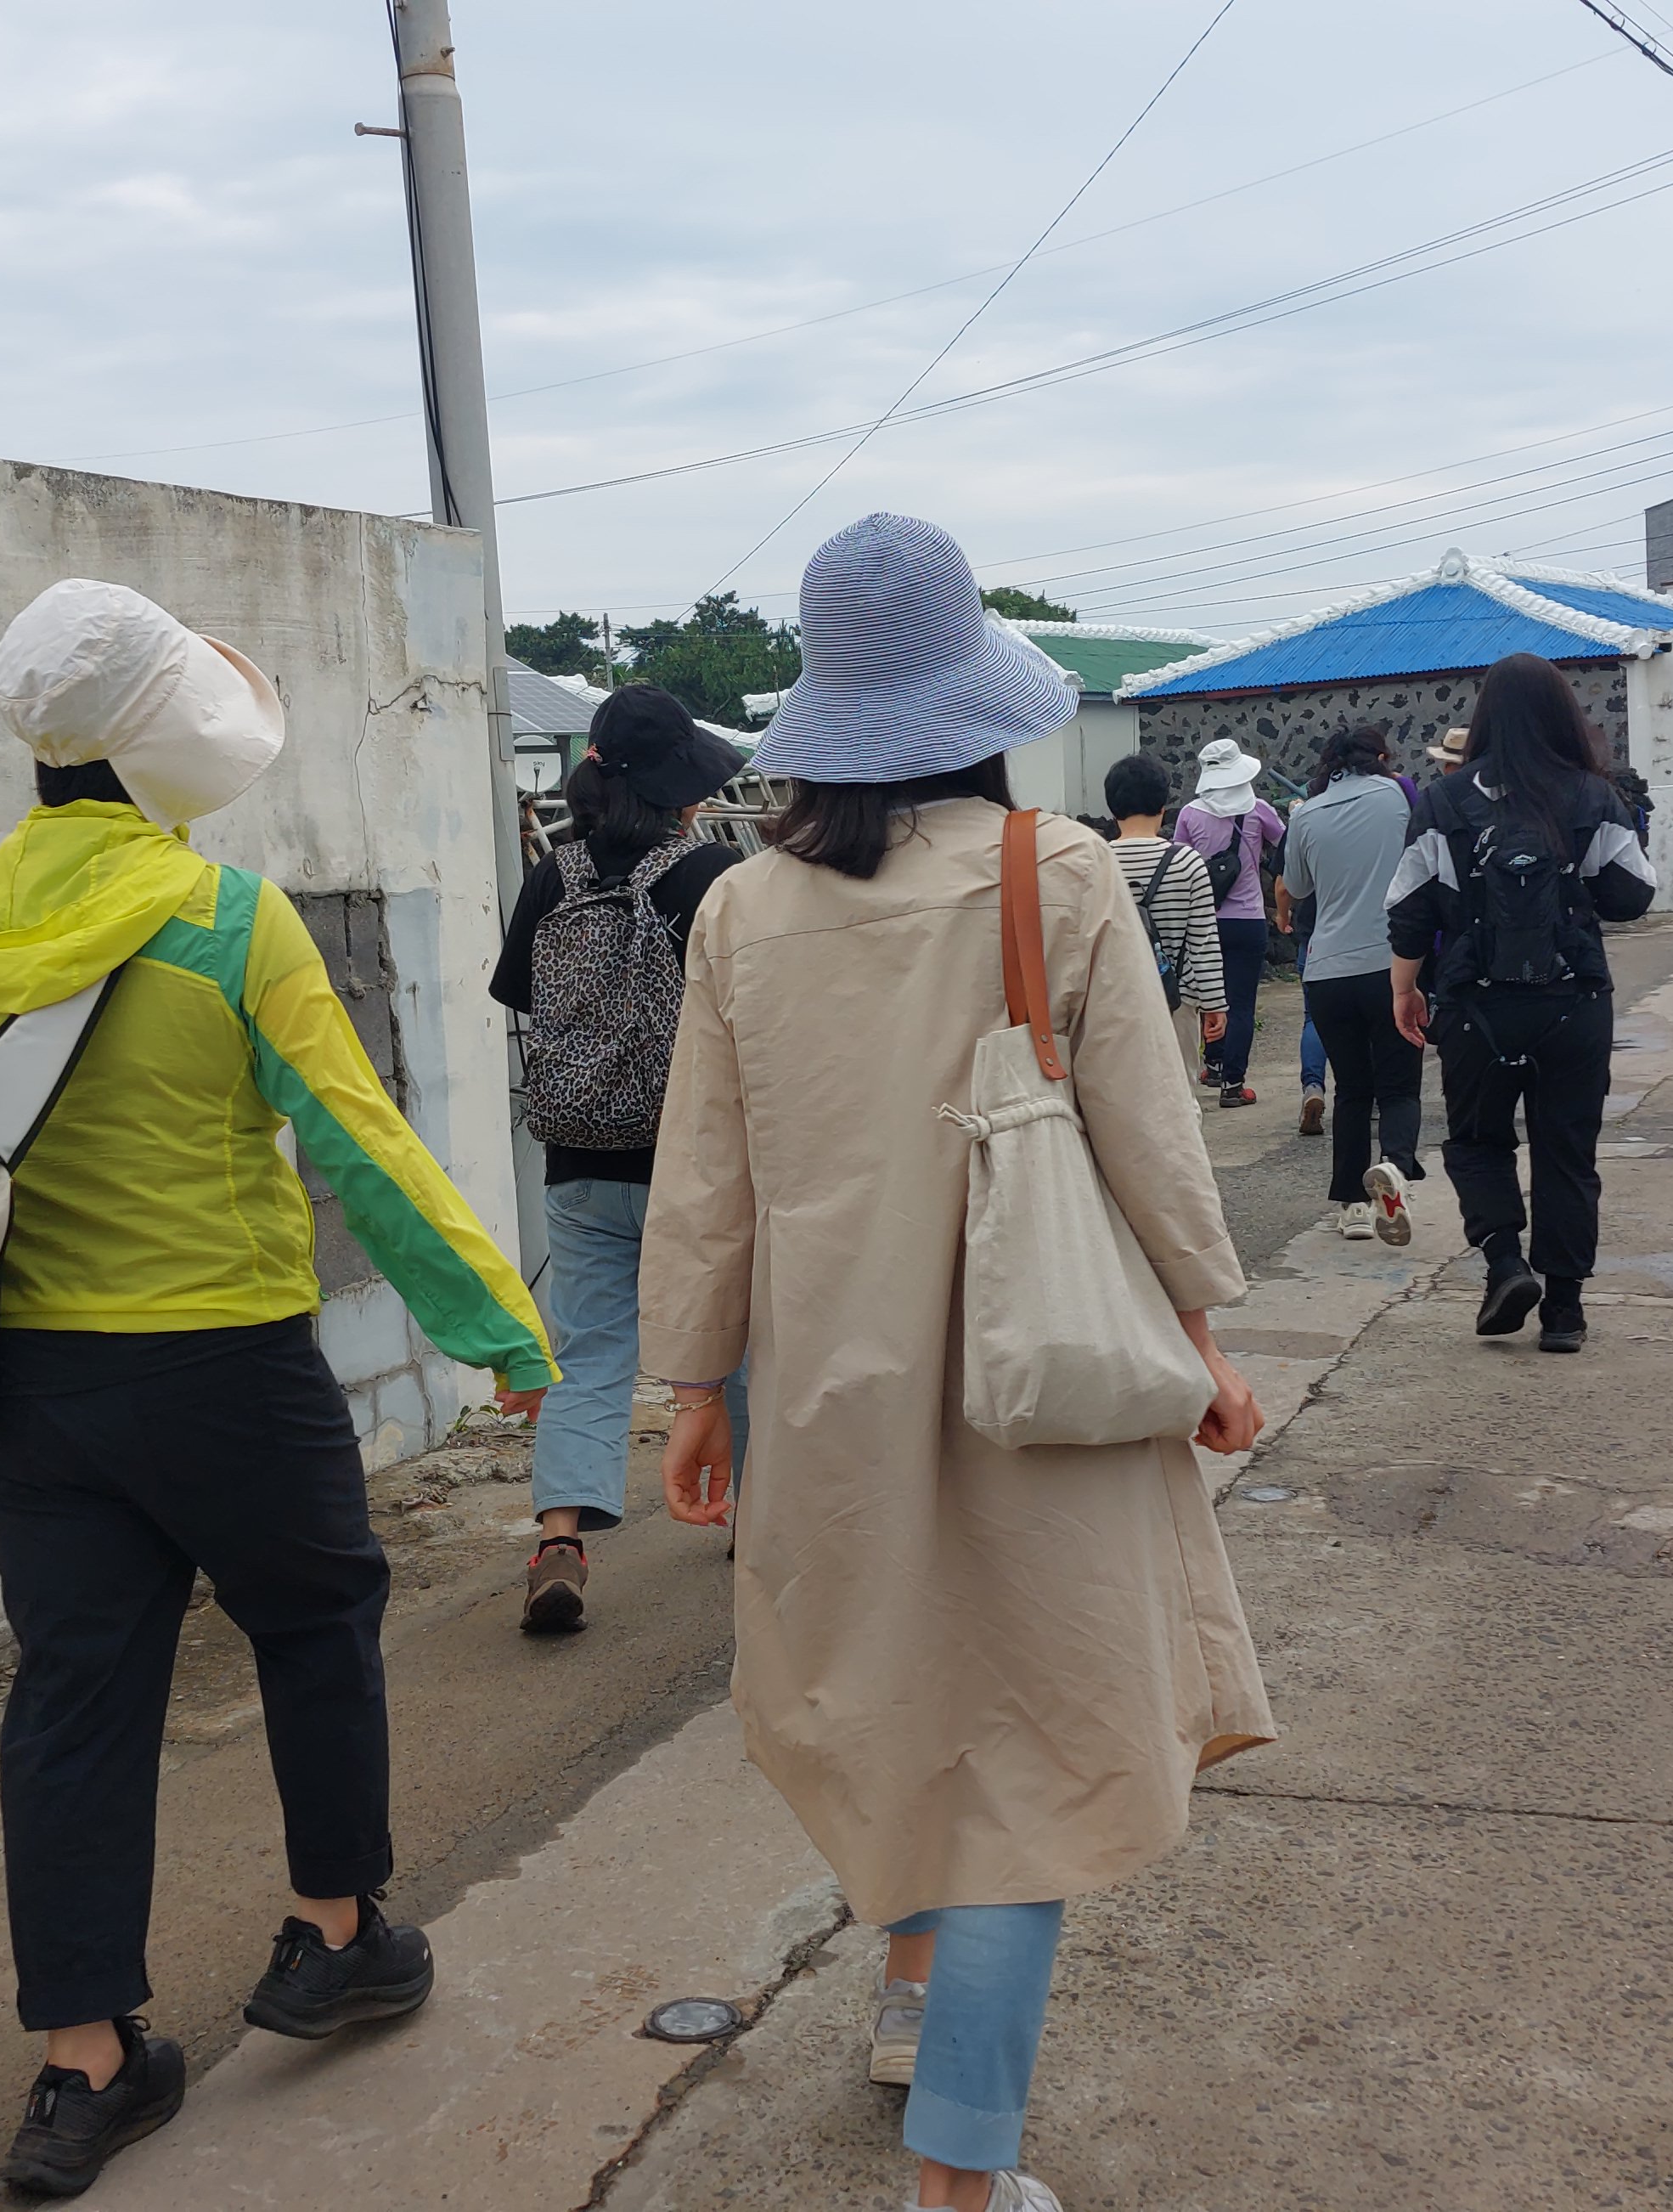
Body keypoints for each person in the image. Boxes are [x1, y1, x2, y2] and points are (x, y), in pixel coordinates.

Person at [642, 513, 1275, 2212]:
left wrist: (692, 1387)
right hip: (1038, 1379)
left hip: (828, 1394)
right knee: (1030, 1770)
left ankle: (910, 2004)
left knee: (898, 1709)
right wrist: (1200, 1334)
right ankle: (956, 2183)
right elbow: (1146, 1133)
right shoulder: (1048, 871)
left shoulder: (740, 908)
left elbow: (703, 1175)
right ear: (975, 699)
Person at [0, 580, 559, 2198]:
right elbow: (357, 1136)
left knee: (73, 1696)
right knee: (315, 1615)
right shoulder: (226, 917)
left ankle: (83, 2062)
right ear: (163, 744)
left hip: (30, 1381)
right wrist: (495, 1327)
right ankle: (335, 1932)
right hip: (222, 1360)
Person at [487, 685, 752, 1634]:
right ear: (681, 786)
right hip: (696, 1164)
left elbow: (521, 994)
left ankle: (559, 1540)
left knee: (591, 1355)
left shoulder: (554, 874)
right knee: (736, 1342)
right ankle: (753, 1516)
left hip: (578, 1160)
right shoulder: (714, 874)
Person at [1386, 653, 1657, 1355]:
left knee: (1477, 1142)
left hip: (1476, 1005)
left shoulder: (1443, 802)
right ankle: (1564, 1310)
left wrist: (1404, 989)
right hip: (1573, 1004)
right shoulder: (1593, 796)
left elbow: (1409, 912)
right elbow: (1632, 897)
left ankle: (1506, 1264)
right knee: (1567, 1150)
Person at [1281, 725, 1424, 1244]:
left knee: (1352, 1090)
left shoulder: (1306, 813)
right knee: (1399, 1086)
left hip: (1327, 970)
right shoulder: (1397, 796)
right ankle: (1395, 1167)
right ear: (1380, 757)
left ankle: (1353, 1207)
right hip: (1390, 964)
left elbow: (1297, 886)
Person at [1172, 738, 1293, 1107]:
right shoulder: (1258, 810)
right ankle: (1233, 1084)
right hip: (1248, 920)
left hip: (1203, 921)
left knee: (1210, 995)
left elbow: (1177, 862)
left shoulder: (1189, 814)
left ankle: (1212, 1065)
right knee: (1241, 1003)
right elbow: (1287, 846)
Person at [1100, 752, 1227, 1059]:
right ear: (1163, 806)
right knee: (1178, 1085)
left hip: (1112, 1000)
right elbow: (1204, 941)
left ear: (1112, 807)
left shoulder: (1095, 860)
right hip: (1177, 999)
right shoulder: (1187, 862)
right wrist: (1214, 1003)